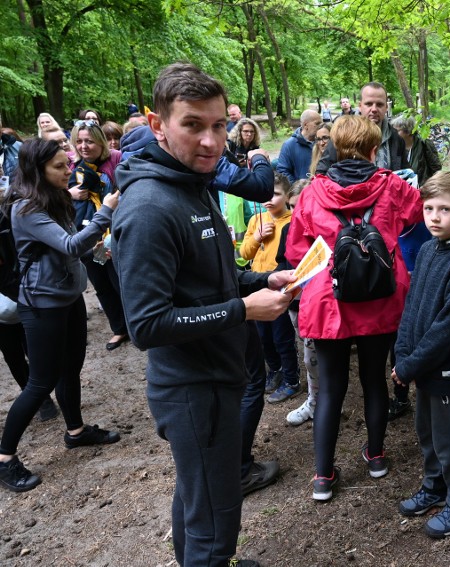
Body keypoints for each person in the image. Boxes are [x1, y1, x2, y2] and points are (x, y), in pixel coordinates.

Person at [112, 62, 293, 567]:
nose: (211, 141)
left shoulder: (194, 182)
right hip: (194, 389)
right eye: (193, 124)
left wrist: (263, 280)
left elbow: (206, 279)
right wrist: (243, 310)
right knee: (216, 521)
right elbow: (147, 325)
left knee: (198, 501)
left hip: (216, 375)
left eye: (219, 126)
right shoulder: (150, 206)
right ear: (157, 125)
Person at [285, 115, 422, 501]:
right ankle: (376, 457)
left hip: (330, 302)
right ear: (374, 150)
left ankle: (323, 478)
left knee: (329, 390)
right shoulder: (392, 186)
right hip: (381, 296)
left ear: (334, 148)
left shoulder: (313, 193)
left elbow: (296, 250)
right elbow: (416, 215)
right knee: (375, 380)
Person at [0, 138, 122, 493]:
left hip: (69, 297)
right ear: (37, 171)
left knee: (70, 368)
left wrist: (97, 244)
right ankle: (5, 458)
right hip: (42, 305)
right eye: (59, 167)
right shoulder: (26, 210)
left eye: (66, 164)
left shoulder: (55, 199)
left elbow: (72, 243)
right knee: (40, 383)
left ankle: (76, 431)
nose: (68, 171)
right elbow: (71, 245)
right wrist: (106, 213)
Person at [392, 170, 450, 537]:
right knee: (426, 434)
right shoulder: (429, 249)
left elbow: (447, 328)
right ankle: (435, 487)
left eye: (445, 209)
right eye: (428, 207)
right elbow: (412, 306)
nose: (434, 216)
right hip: (420, 368)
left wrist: (411, 364)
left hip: (445, 372)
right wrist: (401, 353)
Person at [240, 173, 300, 404]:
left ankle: (291, 379)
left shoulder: (291, 221)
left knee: (281, 336)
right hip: (256, 286)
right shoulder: (257, 220)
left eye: (275, 194)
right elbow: (244, 254)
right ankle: (274, 370)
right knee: (262, 335)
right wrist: (256, 237)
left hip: (280, 289)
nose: (269, 198)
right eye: (266, 193)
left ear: (287, 196)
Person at [69, 120, 128, 351]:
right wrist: (69, 193)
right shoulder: (73, 168)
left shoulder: (114, 162)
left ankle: (135, 324)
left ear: (100, 142)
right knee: (101, 283)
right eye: (80, 141)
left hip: (111, 234)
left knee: (118, 281)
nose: (84, 146)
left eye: (89, 141)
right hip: (87, 236)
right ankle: (119, 328)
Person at [274, 179, 320, 426]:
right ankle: (316, 399)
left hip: (320, 304)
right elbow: (283, 261)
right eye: (292, 206)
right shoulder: (287, 229)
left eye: (302, 205)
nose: (296, 213)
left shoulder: (324, 228)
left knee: (314, 354)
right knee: (306, 351)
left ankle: (319, 401)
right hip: (296, 303)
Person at [316, 83, 408, 175]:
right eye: (369, 104)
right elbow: (322, 172)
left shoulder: (396, 138)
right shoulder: (343, 135)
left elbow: (406, 173)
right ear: (360, 106)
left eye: (379, 104)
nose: (374, 109)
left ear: (386, 107)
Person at [390, 115, 442, 185]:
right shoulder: (393, 147)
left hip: (422, 190)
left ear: (408, 131)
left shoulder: (424, 144)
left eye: (397, 131)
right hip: (401, 190)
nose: (393, 134)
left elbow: (436, 169)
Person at [276, 109, 322, 183]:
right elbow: (282, 171)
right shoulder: (289, 145)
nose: (321, 126)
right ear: (305, 125)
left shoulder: (323, 143)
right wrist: (297, 188)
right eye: (317, 123)